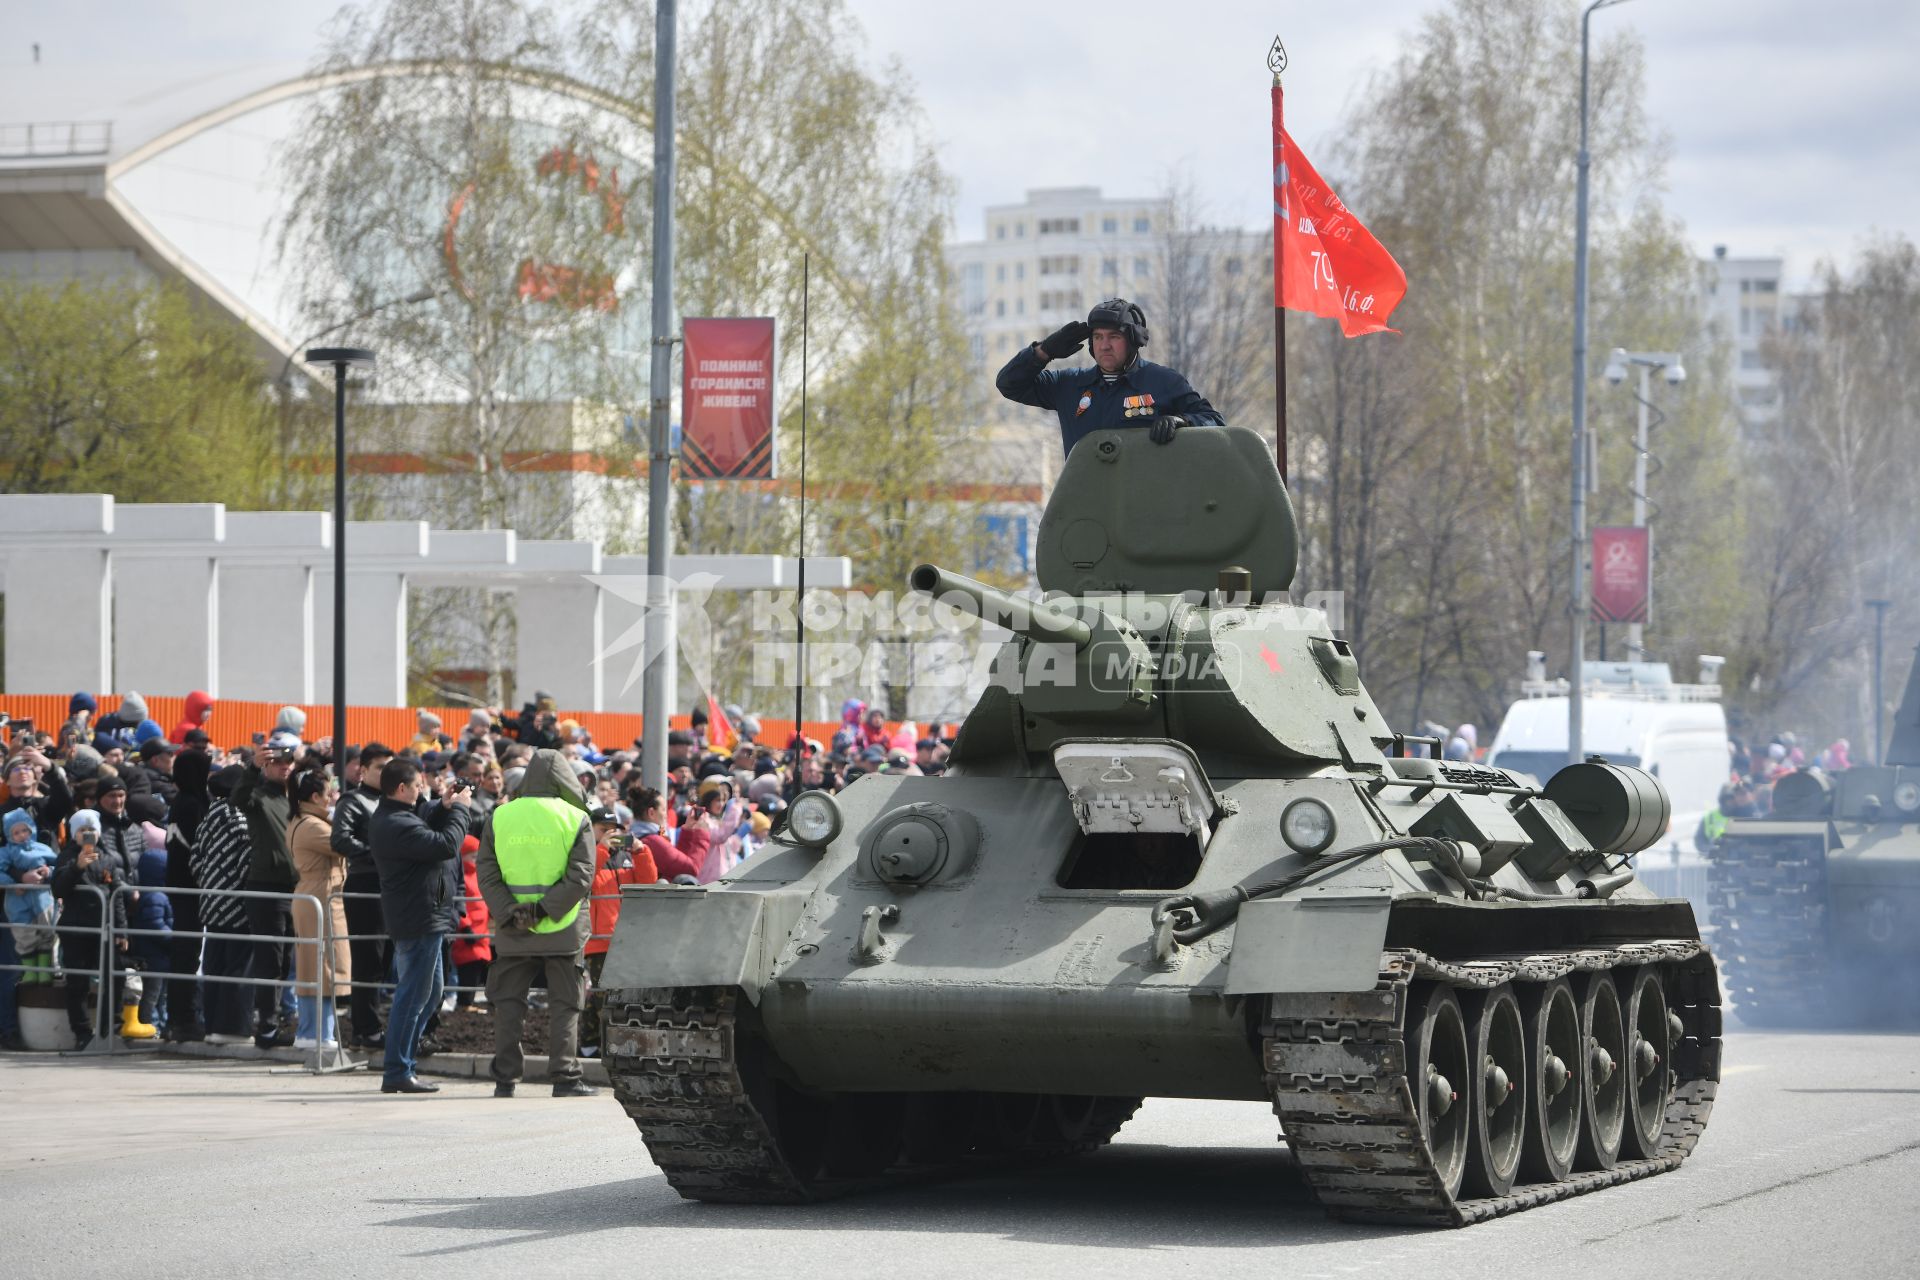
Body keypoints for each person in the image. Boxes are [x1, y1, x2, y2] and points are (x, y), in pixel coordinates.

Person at [475, 748, 596, 1098]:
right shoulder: (576, 818)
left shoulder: (500, 816)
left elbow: (487, 872)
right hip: (563, 927)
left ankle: (505, 1079)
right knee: (566, 1004)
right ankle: (565, 1077)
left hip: (513, 928)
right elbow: (581, 876)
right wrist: (543, 910)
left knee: (508, 1004)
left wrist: (512, 911)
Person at [995, 297, 1223, 456]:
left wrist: (1182, 422)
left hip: (1146, 510)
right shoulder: (1070, 385)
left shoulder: (1163, 382)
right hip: (1088, 512)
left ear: (1132, 341)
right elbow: (1009, 384)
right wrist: (1043, 351)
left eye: (1114, 337)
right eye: (1097, 337)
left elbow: (1214, 421)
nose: (1104, 345)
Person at [369, 755, 473, 1094]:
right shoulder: (395, 823)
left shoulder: (398, 815)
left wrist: (444, 806)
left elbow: (426, 821)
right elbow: (444, 844)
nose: (422, 791)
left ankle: (403, 1065)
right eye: (417, 786)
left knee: (429, 997)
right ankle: (397, 1069)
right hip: (417, 918)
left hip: (425, 915)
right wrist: (460, 810)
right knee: (413, 996)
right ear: (402, 788)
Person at [233, 731, 300, 1048]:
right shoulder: (260, 794)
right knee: (269, 962)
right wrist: (253, 767)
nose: (284, 766)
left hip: (293, 888)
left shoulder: (294, 797)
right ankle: (267, 1027)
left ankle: (275, 1023)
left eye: (289, 760)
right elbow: (239, 800)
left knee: (285, 961)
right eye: (278, 761)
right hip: (266, 887)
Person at [331, 742, 394, 1048]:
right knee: (368, 959)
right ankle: (364, 1028)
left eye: (388, 767)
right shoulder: (353, 801)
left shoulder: (393, 800)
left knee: (387, 959)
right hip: (365, 884)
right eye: (379, 767)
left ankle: (375, 1023)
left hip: (391, 885)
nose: (385, 773)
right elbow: (340, 839)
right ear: (363, 769)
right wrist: (376, 854)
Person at [581, 804, 657, 1056]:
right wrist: (601, 849)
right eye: (603, 829)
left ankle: (606, 1043)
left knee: (622, 996)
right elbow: (585, 881)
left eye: (614, 831)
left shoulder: (625, 856)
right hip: (600, 940)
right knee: (603, 996)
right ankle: (591, 1042)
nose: (610, 835)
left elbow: (648, 882)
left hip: (626, 939)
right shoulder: (586, 855)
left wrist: (640, 850)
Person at [191, 765, 255, 1045]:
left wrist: (210, 884)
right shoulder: (242, 817)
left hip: (211, 901)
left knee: (214, 964)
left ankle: (211, 1025)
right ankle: (232, 1027)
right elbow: (246, 864)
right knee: (239, 965)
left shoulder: (209, 816)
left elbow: (195, 858)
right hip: (237, 904)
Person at [287, 764, 350, 1050]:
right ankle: (316, 1033)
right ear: (314, 797)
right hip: (320, 896)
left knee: (319, 964)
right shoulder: (313, 825)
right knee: (321, 965)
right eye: (328, 793)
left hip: (317, 895)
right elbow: (344, 844)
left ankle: (316, 1031)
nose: (333, 797)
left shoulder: (306, 820)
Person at [3, 806, 59, 983]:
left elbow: (59, 866)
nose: (21, 835)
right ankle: (30, 970)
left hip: (43, 897)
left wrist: (48, 871)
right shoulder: (6, 852)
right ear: (8, 834)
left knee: (48, 929)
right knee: (23, 933)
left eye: (24, 830)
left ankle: (44, 969)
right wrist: (13, 884)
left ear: (31, 829)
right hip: (17, 899)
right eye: (16, 832)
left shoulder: (42, 848)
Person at [451, 834, 491, 1007]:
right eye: (473, 856)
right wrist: (465, 927)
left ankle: (471, 1002)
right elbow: (458, 904)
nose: (477, 859)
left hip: (481, 933)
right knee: (469, 969)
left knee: (479, 968)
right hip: (468, 934)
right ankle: (465, 1003)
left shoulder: (477, 876)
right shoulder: (462, 877)